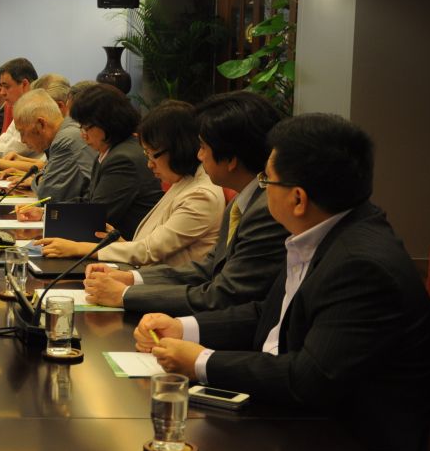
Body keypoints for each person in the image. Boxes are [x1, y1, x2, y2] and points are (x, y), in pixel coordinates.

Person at [135, 114, 430, 451]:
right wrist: (183, 328)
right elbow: (269, 315)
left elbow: (308, 379)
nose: (262, 190)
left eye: (267, 181)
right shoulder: (324, 232)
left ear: (298, 199)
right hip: (298, 417)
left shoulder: (360, 266)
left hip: (345, 448)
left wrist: (202, 362)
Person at [84, 91, 289, 314]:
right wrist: (131, 278)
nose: (199, 156)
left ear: (230, 158)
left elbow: (226, 293)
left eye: (203, 147)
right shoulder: (241, 202)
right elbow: (206, 269)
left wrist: (125, 295)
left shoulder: (265, 210)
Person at [37, 101, 224, 267]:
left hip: (166, 289)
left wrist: (79, 248)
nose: (149, 164)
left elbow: (149, 251)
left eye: (152, 155)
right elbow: (151, 246)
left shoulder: (201, 195)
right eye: (146, 154)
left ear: (177, 149)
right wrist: (121, 244)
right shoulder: (184, 181)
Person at [51, 83, 161, 238]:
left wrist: (50, 220)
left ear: (108, 123)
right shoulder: (111, 151)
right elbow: (89, 201)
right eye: (80, 127)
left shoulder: (123, 159)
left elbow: (97, 218)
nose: (83, 135)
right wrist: (47, 212)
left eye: (87, 127)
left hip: (128, 247)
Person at [9, 89, 94, 202]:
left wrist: (37, 180)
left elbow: (48, 195)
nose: (22, 140)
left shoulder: (65, 141)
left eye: (22, 132)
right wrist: (42, 179)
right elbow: (46, 176)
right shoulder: (67, 131)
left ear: (41, 124)